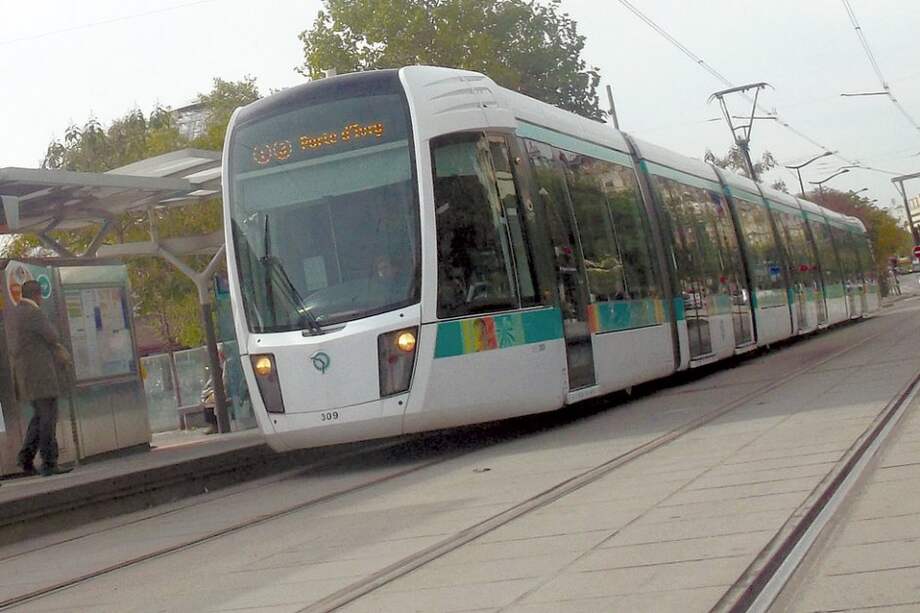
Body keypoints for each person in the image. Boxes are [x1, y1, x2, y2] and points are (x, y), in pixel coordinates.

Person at [9, 280, 73, 477]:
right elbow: (52, 335)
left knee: (38, 417)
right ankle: (49, 461)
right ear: (37, 295)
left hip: (26, 375)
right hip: (41, 374)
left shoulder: (16, 313)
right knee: (48, 417)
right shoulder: (33, 312)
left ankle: (26, 459)